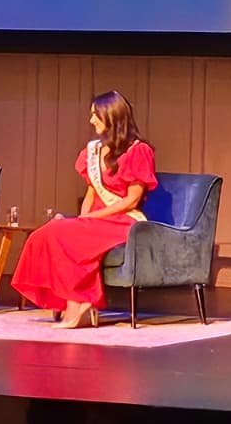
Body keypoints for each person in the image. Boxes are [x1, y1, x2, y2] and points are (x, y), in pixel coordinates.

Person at [11, 89, 157, 329]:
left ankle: (77, 304)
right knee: (47, 233)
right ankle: (72, 302)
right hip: (97, 220)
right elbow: (91, 192)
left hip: (124, 222)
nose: (91, 121)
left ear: (111, 116)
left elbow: (132, 200)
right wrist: (81, 221)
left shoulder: (138, 150)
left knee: (62, 231)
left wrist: (90, 218)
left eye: (95, 115)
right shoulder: (93, 152)